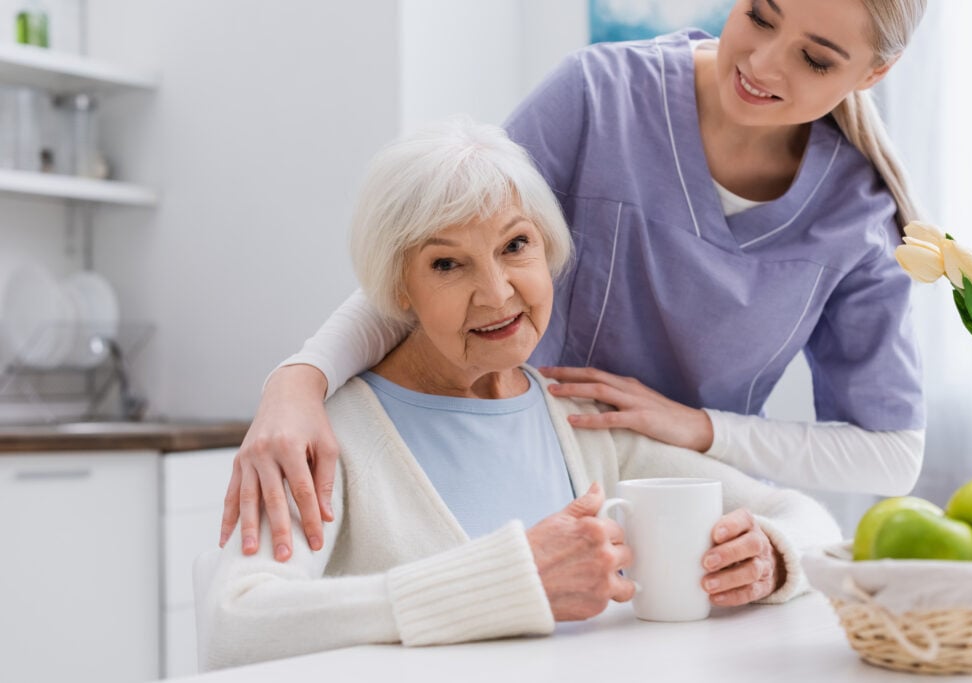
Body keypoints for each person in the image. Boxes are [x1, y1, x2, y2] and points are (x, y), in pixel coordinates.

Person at [221, 0, 928, 562]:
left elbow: (893, 453)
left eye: (814, 57)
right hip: (528, 490)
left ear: (873, 73)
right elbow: (446, 259)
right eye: (760, 14)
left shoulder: (859, 213)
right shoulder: (599, 96)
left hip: (699, 534)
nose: (764, 62)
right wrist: (299, 379)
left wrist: (701, 428)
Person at [198, 118, 841, 669]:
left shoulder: (584, 420)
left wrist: (772, 559)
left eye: (515, 246)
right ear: (399, 291)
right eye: (447, 264)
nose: (498, 292)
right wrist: (503, 584)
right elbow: (237, 622)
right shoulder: (327, 437)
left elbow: (810, 520)